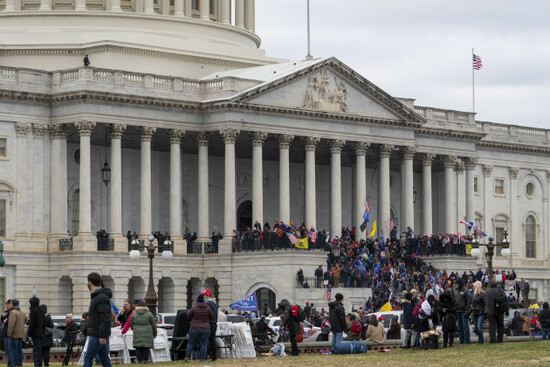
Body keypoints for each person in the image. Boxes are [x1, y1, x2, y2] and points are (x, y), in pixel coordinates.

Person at [83, 272, 113, 367]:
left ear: (89, 282)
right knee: (104, 358)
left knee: (88, 357)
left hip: (97, 334)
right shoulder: (98, 296)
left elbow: (105, 318)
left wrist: (102, 336)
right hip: (99, 333)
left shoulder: (100, 298)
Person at [185, 294, 213, 362]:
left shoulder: (194, 308)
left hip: (194, 328)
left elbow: (187, 315)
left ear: (197, 301)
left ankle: (187, 358)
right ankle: (203, 359)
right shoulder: (208, 308)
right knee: (204, 344)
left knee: (191, 343)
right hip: (206, 328)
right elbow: (211, 316)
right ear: (203, 301)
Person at [486, 279, 508, 343]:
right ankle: (500, 339)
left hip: (490, 311)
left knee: (492, 326)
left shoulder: (487, 292)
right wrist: (506, 311)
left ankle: (493, 339)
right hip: (500, 311)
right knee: (500, 325)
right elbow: (505, 301)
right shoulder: (501, 290)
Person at [27, 295, 45, 367]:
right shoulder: (41, 311)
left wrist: (29, 333)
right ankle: (39, 363)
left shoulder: (33, 311)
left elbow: (32, 323)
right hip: (40, 332)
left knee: (36, 350)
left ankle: (37, 364)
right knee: (39, 349)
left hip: (35, 333)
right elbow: (43, 323)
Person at [7, 299, 25, 367]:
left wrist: (9, 334)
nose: (10, 304)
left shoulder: (13, 312)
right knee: (19, 350)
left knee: (14, 351)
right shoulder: (22, 312)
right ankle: (20, 364)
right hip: (21, 334)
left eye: (10, 303)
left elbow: (11, 325)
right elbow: (26, 320)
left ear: (13, 304)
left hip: (14, 335)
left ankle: (15, 364)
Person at [202, 289, 218, 362]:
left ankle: (204, 356)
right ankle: (214, 356)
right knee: (212, 340)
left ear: (207, 295)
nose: (203, 297)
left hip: (209, 323)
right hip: (214, 323)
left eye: (204, 295)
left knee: (206, 340)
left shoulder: (208, 304)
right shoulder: (214, 303)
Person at [454, 277, 471, 344]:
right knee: (460, 327)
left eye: (457, 283)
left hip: (464, 311)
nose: (456, 285)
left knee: (465, 327)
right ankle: (461, 340)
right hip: (458, 311)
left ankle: (467, 340)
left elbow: (468, 302)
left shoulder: (466, 291)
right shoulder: (456, 291)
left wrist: (467, 311)